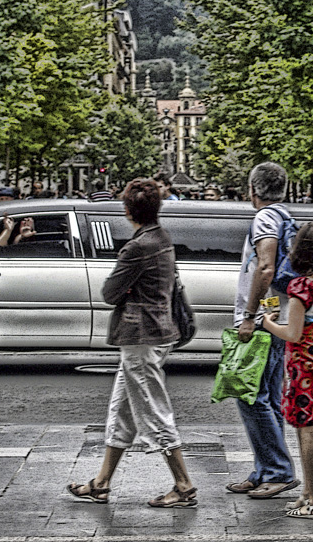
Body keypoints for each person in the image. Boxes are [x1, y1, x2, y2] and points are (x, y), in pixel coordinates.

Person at [66, 178, 196, 508]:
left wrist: (126, 288)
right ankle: (101, 484)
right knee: (121, 412)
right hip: (159, 332)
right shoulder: (162, 237)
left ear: (127, 211)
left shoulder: (137, 247)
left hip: (141, 337)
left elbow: (110, 293)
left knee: (153, 411)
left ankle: (183, 485)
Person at [260, 223, 313, 520]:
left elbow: (293, 333)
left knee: (308, 432)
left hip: (304, 365)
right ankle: (307, 493)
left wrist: (266, 323)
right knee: (308, 427)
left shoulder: (301, 288)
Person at [227, 161, 300, 500]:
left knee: (250, 395)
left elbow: (266, 266)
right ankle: (263, 470)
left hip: (262, 319)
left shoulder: (266, 218)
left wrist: (250, 315)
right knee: (267, 397)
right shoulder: (285, 216)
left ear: (253, 190)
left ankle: (278, 471)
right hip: (277, 315)